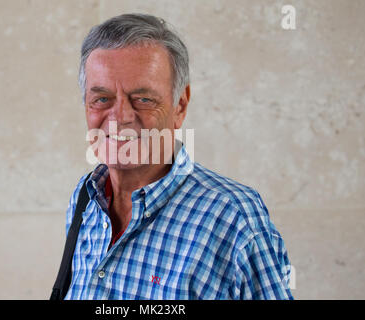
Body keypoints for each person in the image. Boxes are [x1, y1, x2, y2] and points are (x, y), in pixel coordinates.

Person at [63, 13, 293, 299]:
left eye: (143, 99)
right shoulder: (84, 199)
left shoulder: (234, 217)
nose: (120, 116)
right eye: (102, 99)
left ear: (180, 106)